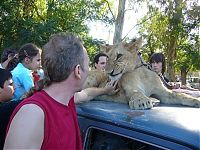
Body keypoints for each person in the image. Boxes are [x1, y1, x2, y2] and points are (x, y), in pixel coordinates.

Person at [4, 32, 118, 149]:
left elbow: (87, 94)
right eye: (88, 65)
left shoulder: (68, 99)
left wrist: (105, 90)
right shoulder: (32, 114)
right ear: (78, 71)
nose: (89, 70)